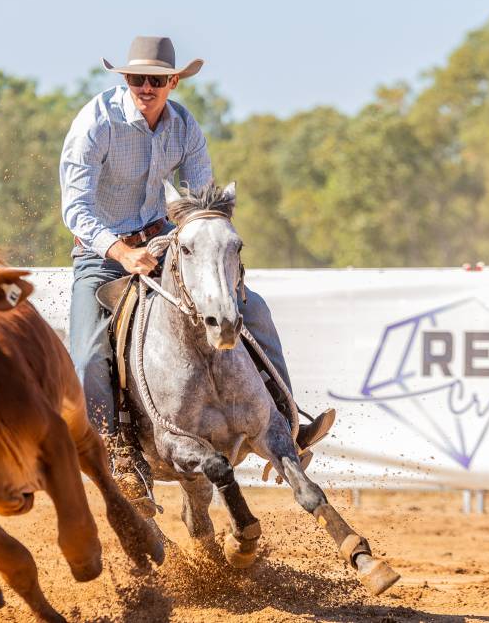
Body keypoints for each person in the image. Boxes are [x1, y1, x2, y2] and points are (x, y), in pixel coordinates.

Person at [59, 36, 334, 507]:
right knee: (87, 353)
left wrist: (195, 237)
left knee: (252, 308)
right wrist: (122, 252)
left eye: (158, 79)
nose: (147, 87)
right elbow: (75, 205)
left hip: (168, 242)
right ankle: (119, 454)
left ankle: (286, 422)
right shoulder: (96, 122)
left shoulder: (185, 125)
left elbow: (201, 196)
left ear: (172, 82)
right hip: (101, 255)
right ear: (125, 80)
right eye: (138, 78)